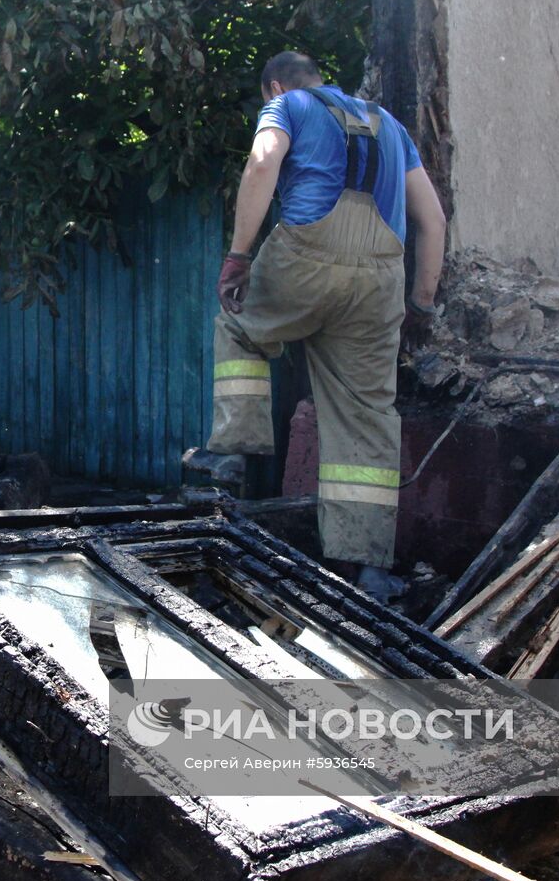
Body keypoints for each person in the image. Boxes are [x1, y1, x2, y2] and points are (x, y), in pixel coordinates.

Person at [183, 51, 446, 603]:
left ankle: (232, 452)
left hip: (303, 257)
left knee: (238, 327)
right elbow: (433, 219)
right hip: (378, 280)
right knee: (366, 414)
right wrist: (421, 299)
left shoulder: (288, 105)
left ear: (275, 85)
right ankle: (371, 571)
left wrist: (237, 256)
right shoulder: (391, 125)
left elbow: (262, 162)